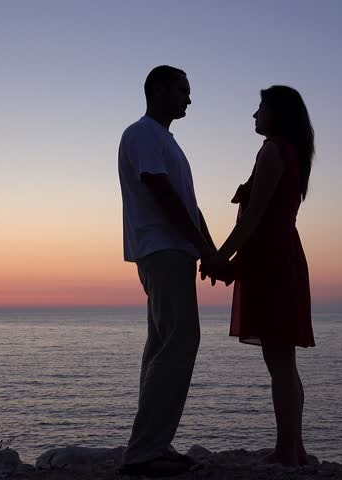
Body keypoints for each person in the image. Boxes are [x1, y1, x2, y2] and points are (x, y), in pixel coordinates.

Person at [200, 85, 316, 465]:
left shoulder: (273, 150)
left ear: (277, 114)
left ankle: (287, 450)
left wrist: (219, 256)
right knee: (283, 359)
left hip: (273, 261)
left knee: (279, 360)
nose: (254, 114)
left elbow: (254, 217)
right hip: (277, 256)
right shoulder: (292, 152)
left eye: (261, 107)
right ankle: (294, 448)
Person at [117, 65, 217, 477]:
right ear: (158, 90)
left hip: (172, 250)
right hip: (163, 249)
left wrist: (209, 250)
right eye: (183, 90)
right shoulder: (143, 133)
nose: (189, 99)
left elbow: (188, 204)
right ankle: (144, 453)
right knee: (179, 341)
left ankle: (152, 445)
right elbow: (160, 191)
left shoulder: (164, 141)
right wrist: (202, 248)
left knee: (162, 346)